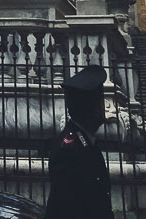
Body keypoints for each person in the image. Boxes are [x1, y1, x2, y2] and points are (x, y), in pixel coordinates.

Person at [44, 64, 113, 219]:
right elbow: (67, 208)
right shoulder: (70, 149)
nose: (106, 107)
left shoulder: (85, 142)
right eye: (102, 101)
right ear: (95, 109)